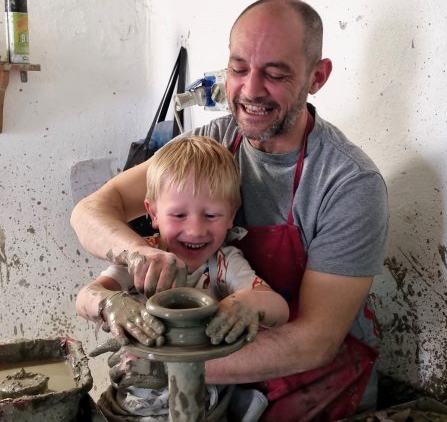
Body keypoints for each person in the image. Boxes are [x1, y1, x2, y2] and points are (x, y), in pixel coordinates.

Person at [71, 0, 389, 421]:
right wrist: (138, 253)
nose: (250, 90)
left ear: (317, 77)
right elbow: (91, 210)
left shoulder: (348, 184)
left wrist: (160, 363)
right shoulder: (211, 146)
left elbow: (315, 341)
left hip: (316, 385)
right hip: (218, 382)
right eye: (239, 69)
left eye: (275, 74)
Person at [76, 136, 290, 420]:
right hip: (132, 403)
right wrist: (110, 304)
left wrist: (249, 302)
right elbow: (85, 297)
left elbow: (279, 309)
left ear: (231, 218)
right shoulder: (143, 260)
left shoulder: (225, 265)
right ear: (152, 213)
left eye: (212, 215)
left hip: (204, 405)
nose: (196, 230)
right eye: (178, 215)